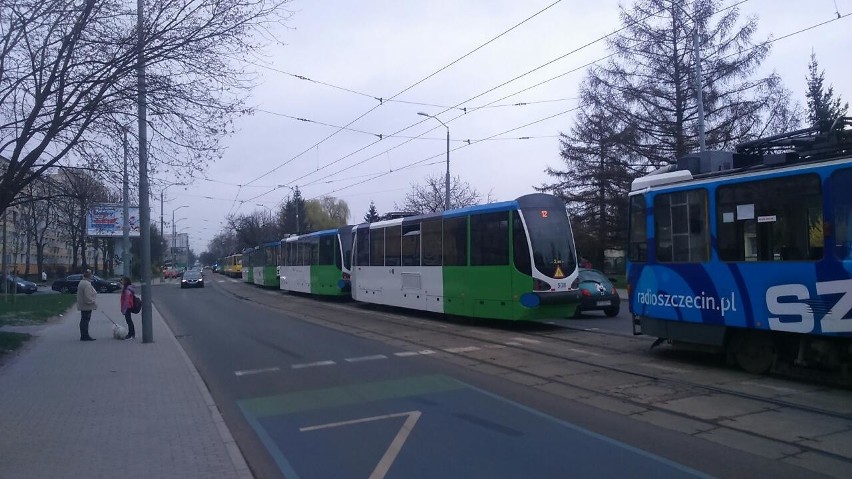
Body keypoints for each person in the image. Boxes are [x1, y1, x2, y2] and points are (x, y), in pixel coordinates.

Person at [77, 269, 98, 341]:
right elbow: (88, 297)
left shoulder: (82, 282)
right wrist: (93, 302)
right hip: (87, 306)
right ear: (89, 276)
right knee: (85, 320)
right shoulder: (87, 284)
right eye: (91, 274)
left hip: (82, 305)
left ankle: (83, 335)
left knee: (83, 320)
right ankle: (85, 336)